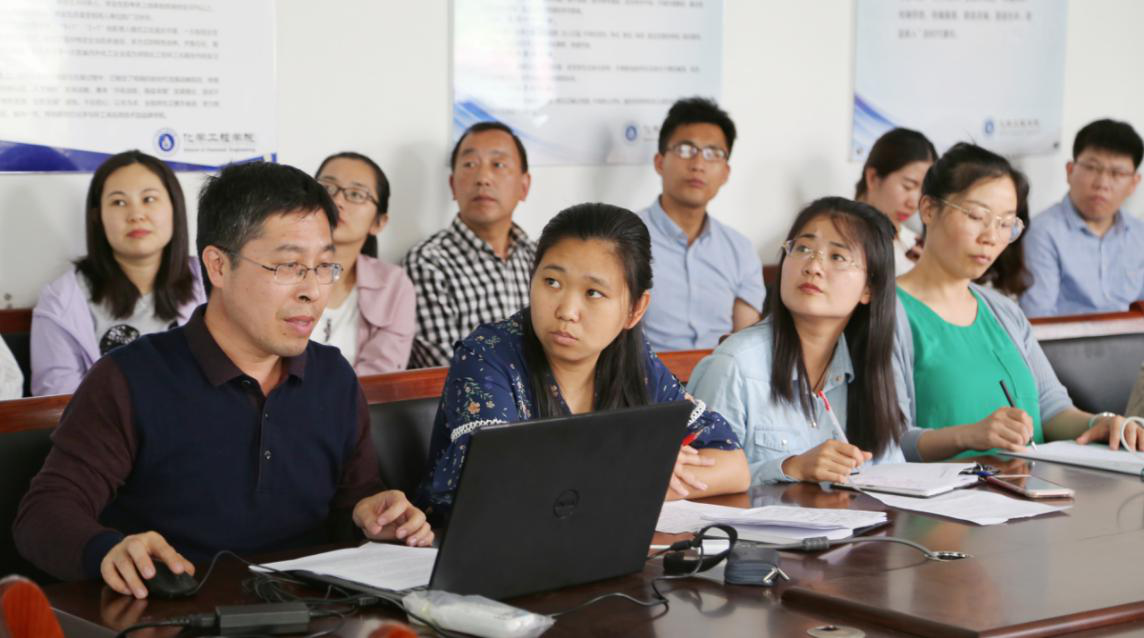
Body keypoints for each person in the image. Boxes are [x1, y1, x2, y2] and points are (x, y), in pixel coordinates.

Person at [14, 162, 432, 598]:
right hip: (176, 614)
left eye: (325, 265)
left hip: (314, 613)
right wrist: (107, 550)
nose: (312, 290)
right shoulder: (129, 378)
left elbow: (354, 502)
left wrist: (374, 516)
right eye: (289, 265)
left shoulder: (333, 377)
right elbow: (44, 514)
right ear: (217, 266)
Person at [418, 203, 749, 522]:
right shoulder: (487, 355)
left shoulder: (633, 359)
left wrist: (629, 479)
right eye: (552, 282)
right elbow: (494, 485)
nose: (566, 311)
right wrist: (635, 473)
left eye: (593, 293)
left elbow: (733, 465)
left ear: (635, 309)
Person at [893, 143, 1143, 460]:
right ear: (929, 209)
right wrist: (968, 436)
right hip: (949, 492)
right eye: (976, 216)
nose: (990, 237)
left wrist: (1101, 423)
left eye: (1005, 224)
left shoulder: (1003, 311)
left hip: (1026, 485)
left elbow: (1052, 408)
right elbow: (889, 442)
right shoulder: (889, 314)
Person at [688, 197, 905, 485]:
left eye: (837, 257)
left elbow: (894, 478)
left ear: (869, 289)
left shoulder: (869, 367)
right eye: (803, 248)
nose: (813, 266)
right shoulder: (735, 365)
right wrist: (789, 468)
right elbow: (695, 482)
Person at [30, 150, 205, 396]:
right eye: (119, 202)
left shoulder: (213, 280)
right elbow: (57, 404)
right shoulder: (61, 301)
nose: (136, 215)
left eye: (149, 199)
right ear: (97, 217)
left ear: (175, 208)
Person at [636, 97, 765, 351]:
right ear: (660, 162)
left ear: (725, 172)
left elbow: (745, 343)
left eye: (712, 154)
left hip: (720, 371)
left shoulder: (740, 250)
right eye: (685, 150)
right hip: (645, 373)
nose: (698, 165)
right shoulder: (625, 239)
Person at [404, 121, 535, 368]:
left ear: (524, 186)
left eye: (498, 164)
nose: (483, 178)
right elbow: (448, 368)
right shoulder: (428, 262)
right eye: (469, 164)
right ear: (453, 185)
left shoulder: (542, 258)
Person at [1020, 119, 1144, 317]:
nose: (1102, 183)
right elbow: (1038, 318)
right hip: (1068, 337)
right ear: (1070, 171)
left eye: (1117, 173)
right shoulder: (1042, 233)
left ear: (1134, 183)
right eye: (1092, 168)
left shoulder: (1139, 233)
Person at [313, 152, 416, 374]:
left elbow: (380, 376)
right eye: (327, 188)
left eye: (356, 194)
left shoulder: (393, 285)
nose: (337, 201)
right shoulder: (274, 268)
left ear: (379, 222)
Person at [854, 128, 937, 276]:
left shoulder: (916, 246)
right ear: (873, 178)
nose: (914, 203)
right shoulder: (839, 236)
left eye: (924, 192)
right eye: (908, 186)